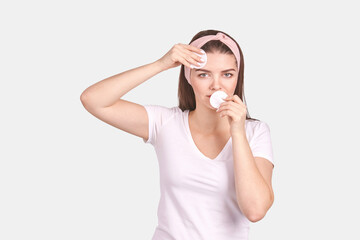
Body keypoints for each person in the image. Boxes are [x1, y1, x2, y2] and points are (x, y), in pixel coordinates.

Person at [80, 29, 275, 240]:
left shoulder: (256, 132)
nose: (216, 85)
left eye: (227, 74)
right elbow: (93, 100)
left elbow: (255, 210)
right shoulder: (165, 123)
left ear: (238, 77)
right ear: (188, 76)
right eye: (203, 74)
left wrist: (238, 132)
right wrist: (160, 64)